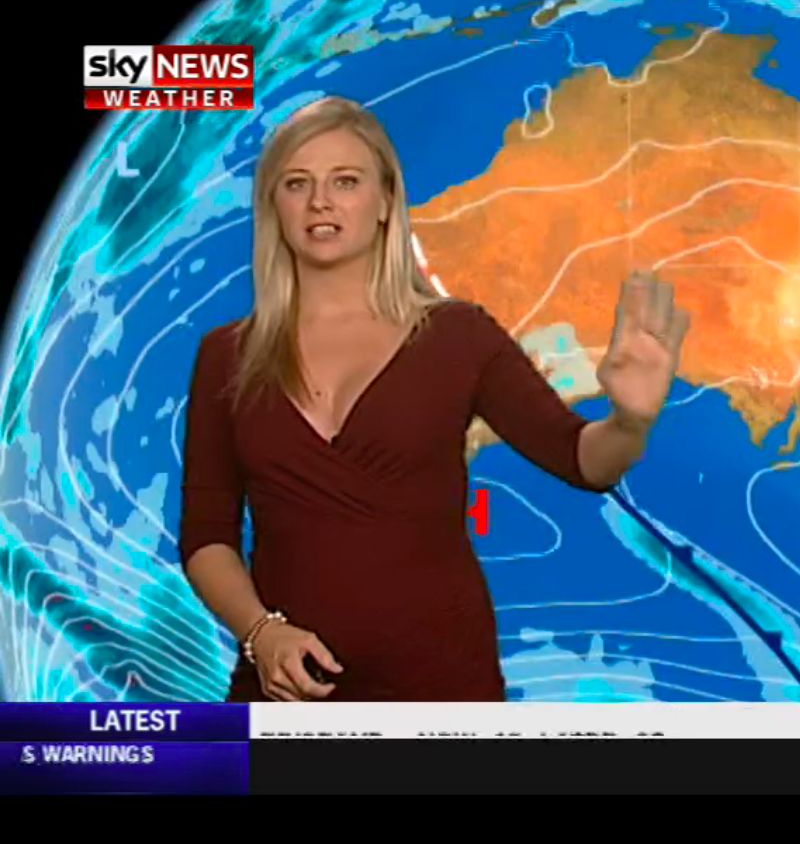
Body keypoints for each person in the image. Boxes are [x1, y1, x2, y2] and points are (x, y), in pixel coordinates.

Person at [179, 95, 690, 702]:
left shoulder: (458, 337)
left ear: (385, 203)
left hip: (441, 685)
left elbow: (581, 459)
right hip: (285, 690)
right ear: (274, 207)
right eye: (297, 183)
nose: (320, 201)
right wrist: (261, 634)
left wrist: (630, 423)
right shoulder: (226, 356)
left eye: (346, 181)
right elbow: (207, 536)